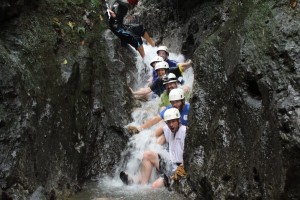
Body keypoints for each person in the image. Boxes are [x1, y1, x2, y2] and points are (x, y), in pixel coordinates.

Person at [120, 107, 186, 188]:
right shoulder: (167, 129)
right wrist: (139, 131)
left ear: (179, 120)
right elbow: (153, 135)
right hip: (169, 164)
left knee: (154, 186)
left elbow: (190, 156)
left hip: (179, 169)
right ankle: (142, 187)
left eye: (173, 121)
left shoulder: (185, 133)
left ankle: (139, 182)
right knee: (147, 154)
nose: (171, 124)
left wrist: (180, 170)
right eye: (168, 122)